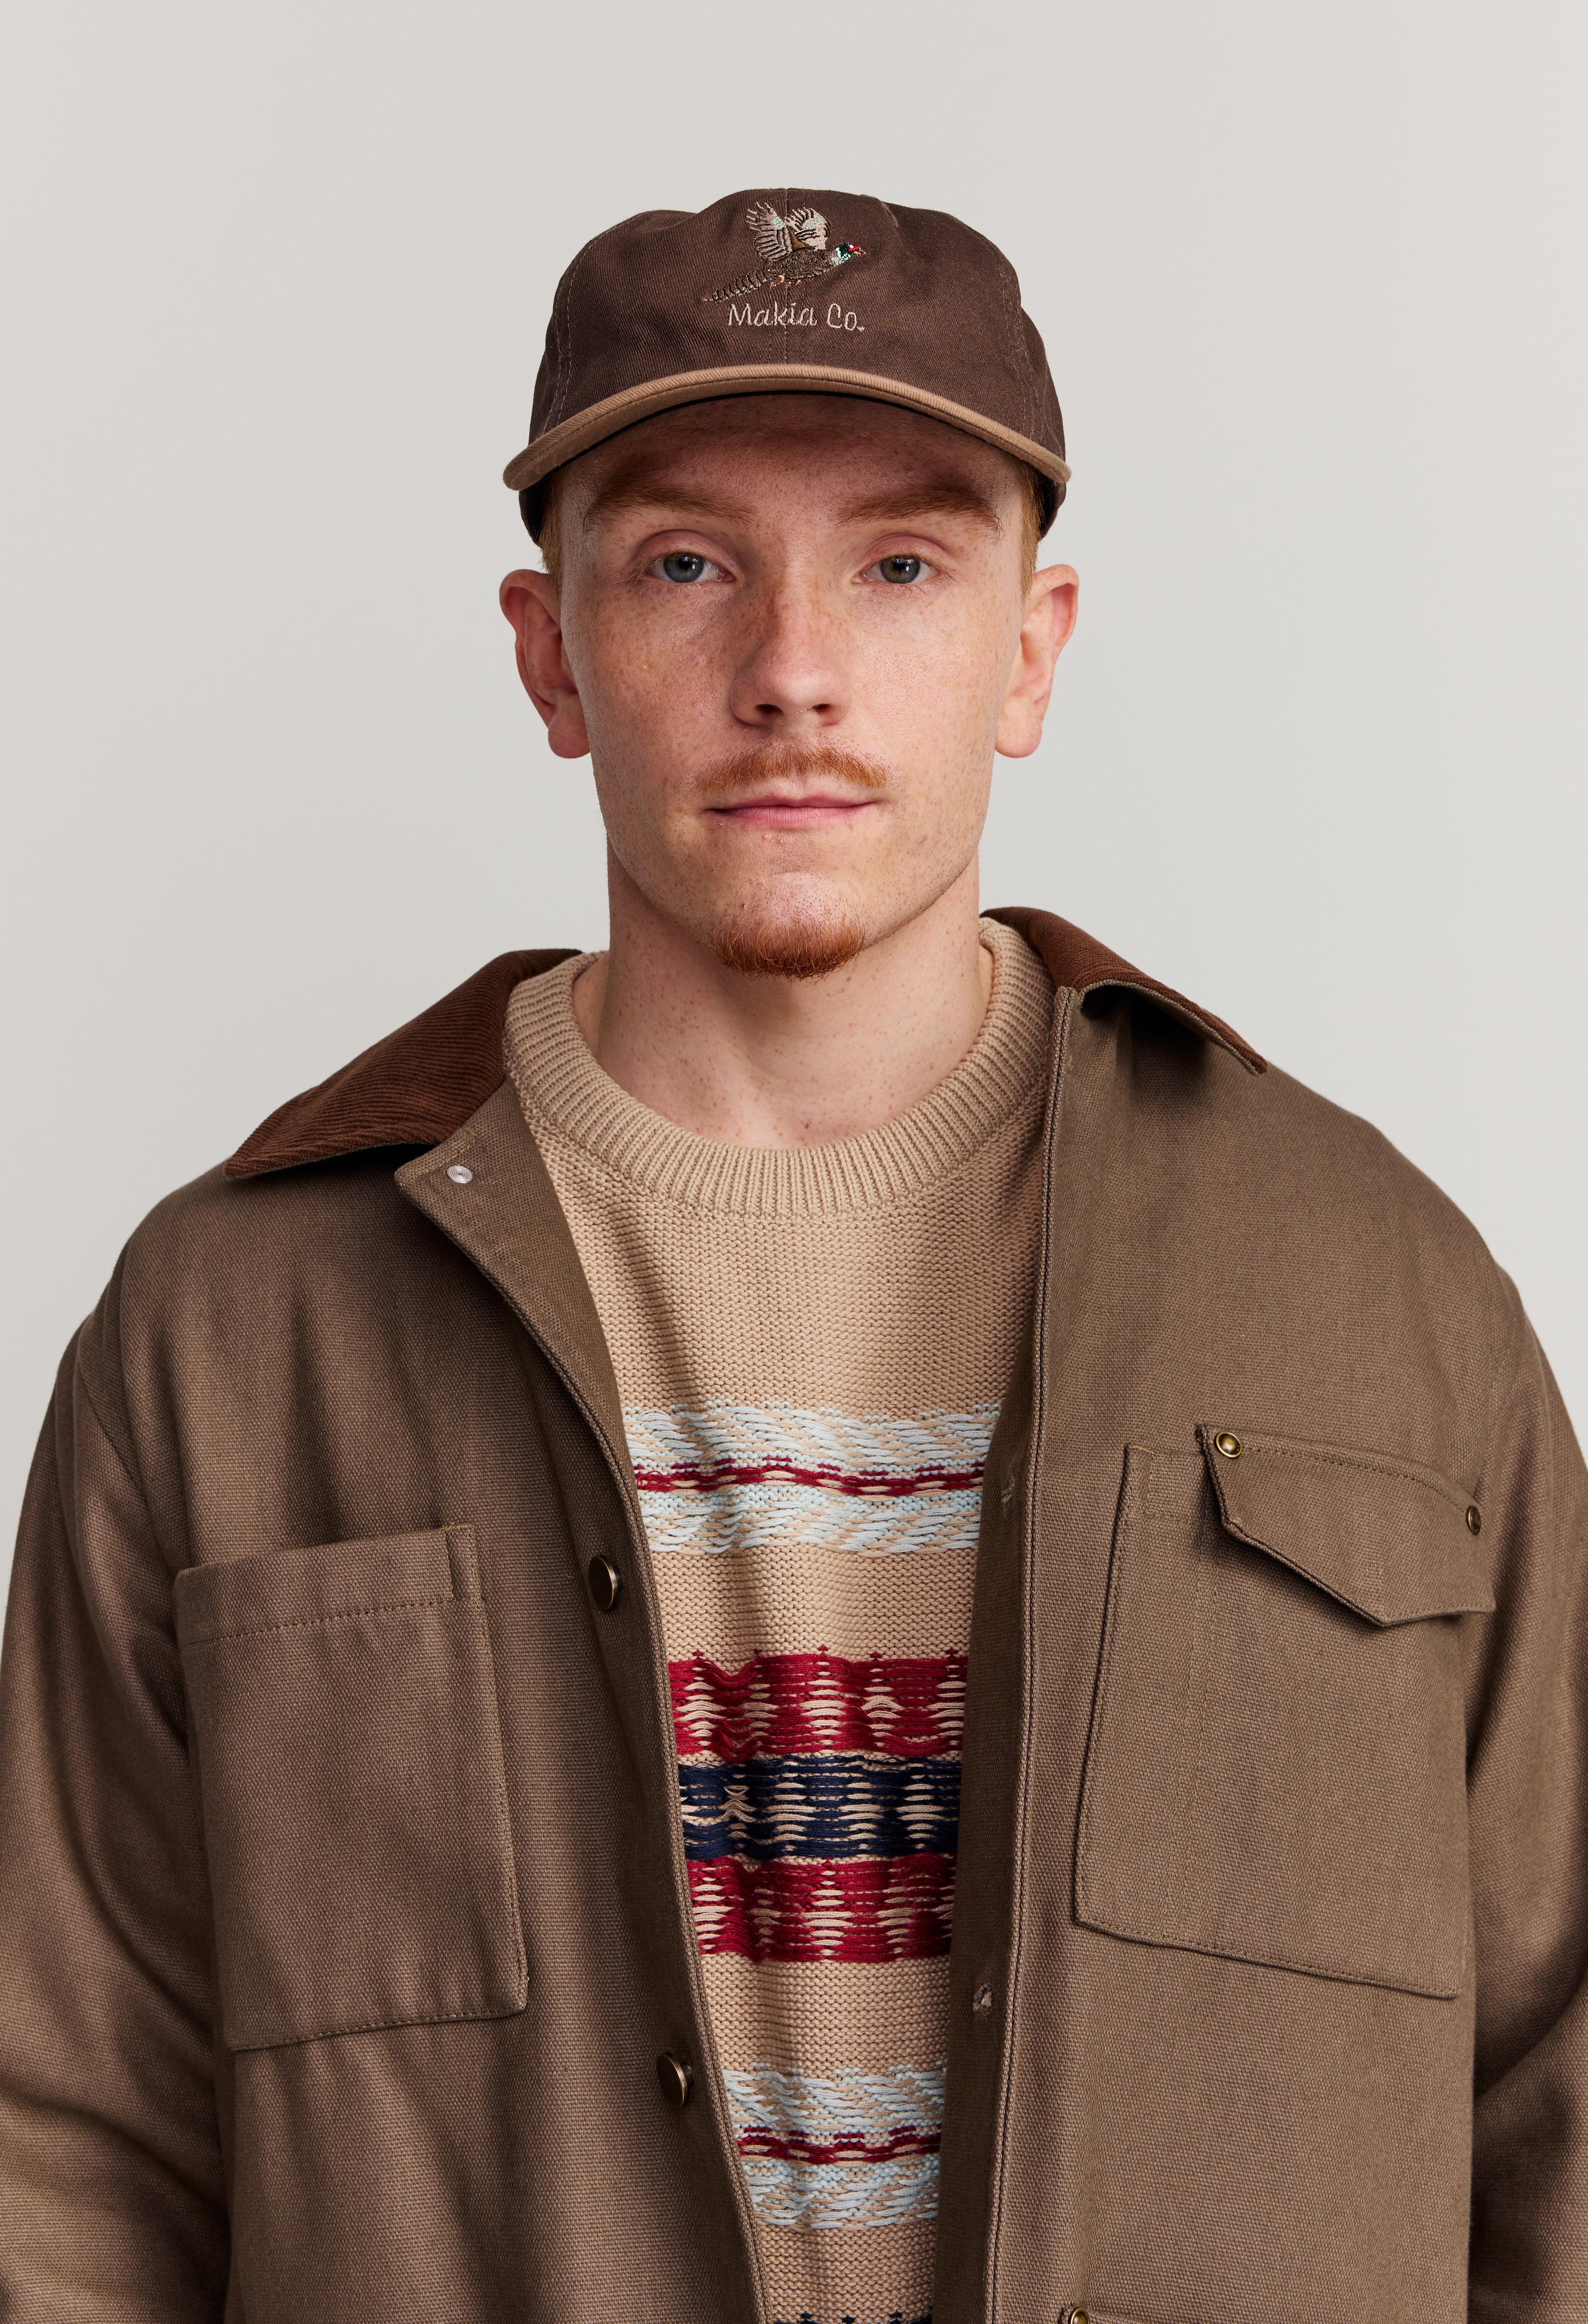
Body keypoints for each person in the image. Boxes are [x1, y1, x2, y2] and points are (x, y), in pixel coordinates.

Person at [0, 186, 1582, 2324]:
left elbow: (1561, 2115)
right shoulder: (228, 1335)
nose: (794, 673)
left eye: (901, 566)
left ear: (1033, 648)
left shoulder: (1381, 1297)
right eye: (686, 566)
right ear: (550, 652)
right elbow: (69, 2158)